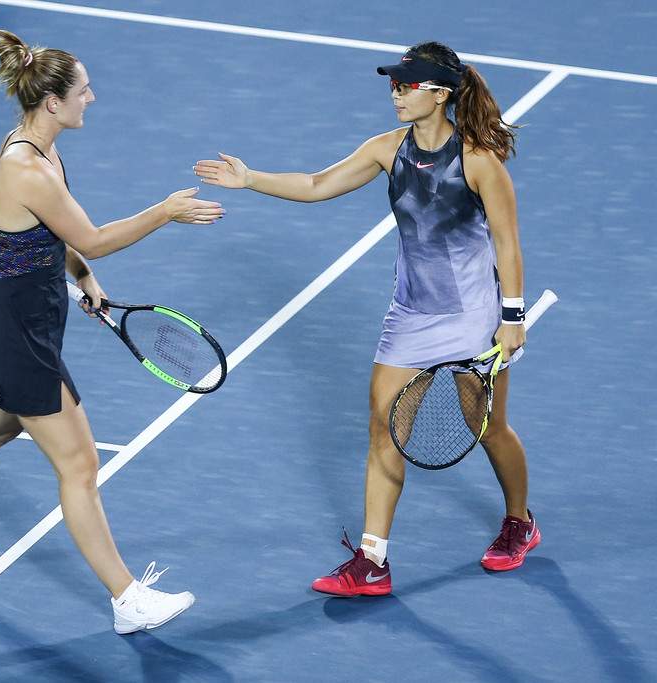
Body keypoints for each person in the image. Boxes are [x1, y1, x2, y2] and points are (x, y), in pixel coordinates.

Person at [0, 25, 224, 633]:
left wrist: (83, 276)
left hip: (24, 320)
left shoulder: (41, 152)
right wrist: (165, 212)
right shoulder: (27, 167)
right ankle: (128, 599)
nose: (91, 98)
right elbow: (91, 235)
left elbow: (57, 238)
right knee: (80, 466)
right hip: (16, 332)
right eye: (83, 91)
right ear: (52, 102)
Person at [194, 41, 538, 596]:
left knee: (487, 428)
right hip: (410, 315)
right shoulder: (385, 150)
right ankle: (372, 561)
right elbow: (316, 185)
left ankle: (520, 521)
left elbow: (508, 243)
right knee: (384, 430)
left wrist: (512, 317)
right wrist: (251, 178)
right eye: (394, 85)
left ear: (440, 94)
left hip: (473, 317)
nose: (395, 94)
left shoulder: (478, 161)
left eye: (407, 85)